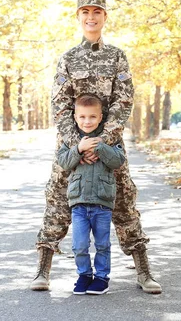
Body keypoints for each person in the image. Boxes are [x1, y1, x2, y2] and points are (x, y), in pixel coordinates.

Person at [30, 0, 162, 294]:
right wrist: (79, 144)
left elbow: (124, 99)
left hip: (110, 144)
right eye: (85, 11)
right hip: (70, 144)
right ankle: (42, 271)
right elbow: (59, 102)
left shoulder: (116, 56)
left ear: (104, 17)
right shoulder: (67, 59)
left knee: (124, 202)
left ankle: (144, 272)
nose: (91, 17)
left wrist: (101, 140)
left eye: (97, 12)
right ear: (78, 16)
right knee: (57, 200)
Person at [57, 94, 126, 295]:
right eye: (82, 117)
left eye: (92, 117)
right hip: (78, 203)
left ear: (101, 116)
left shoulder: (110, 137)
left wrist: (99, 146)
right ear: (75, 117)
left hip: (102, 202)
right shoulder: (71, 140)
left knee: (102, 243)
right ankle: (84, 275)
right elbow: (63, 162)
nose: (87, 121)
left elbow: (117, 160)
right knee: (79, 244)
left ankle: (102, 278)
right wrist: (79, 148)